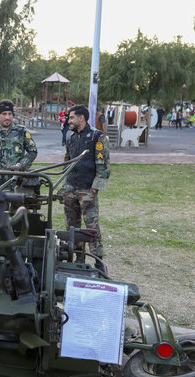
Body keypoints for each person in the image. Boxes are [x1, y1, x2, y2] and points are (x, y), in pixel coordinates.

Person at [61, 105, 110, 268]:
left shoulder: (97, 136)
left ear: (81, 118)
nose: (69, 121)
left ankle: (98, 261)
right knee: (72, 226)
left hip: (87, 189)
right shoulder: (70, 137)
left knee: (91, 226)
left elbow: (104, 165)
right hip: (71, 188)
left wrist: (95, 188)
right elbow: (67, 160)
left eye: (72, 117)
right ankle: (78, 258)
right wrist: (65, 184)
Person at [0, 99, 37, 186]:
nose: (7, 117)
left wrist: (21, 165)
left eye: (10, 114)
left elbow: (32, 151)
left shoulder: (22, 131)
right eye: (4, 114)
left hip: (19, 181)